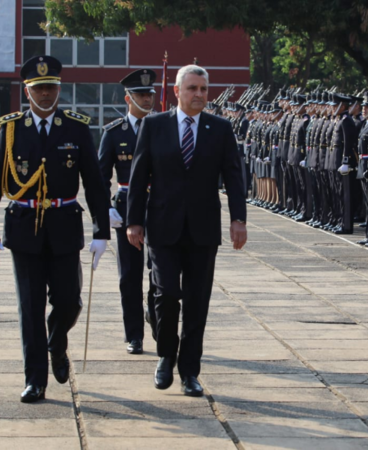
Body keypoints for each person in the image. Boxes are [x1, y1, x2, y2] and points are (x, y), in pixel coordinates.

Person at [0, 55, 111, 403]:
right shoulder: (10, 129)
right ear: (27, 91)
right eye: (39, 89)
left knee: (69, 301)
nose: (46, 94)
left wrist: (101, 232)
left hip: (65, 225)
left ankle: (56, 341)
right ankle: (35, 379)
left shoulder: (76, 127)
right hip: (23, 228)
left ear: (59, 89)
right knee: (30, 306)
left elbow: (94, 183)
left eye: (51, 87)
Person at [126, 65, 247, 397]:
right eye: (192, 88)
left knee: (197, 301)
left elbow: (234, 176)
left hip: (203, 228)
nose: (199, 94)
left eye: (204, 89)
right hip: (163, 226)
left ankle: (189, 371)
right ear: (177, 91)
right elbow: (139, 176)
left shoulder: (220, 128)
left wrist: (239, 218)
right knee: (166, 295)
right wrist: (133, 221)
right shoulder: (154, 126)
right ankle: (166, 353)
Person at [98, 69, 159, 354]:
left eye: (150, 94)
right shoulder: (114, 133)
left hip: (159, 206)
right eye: (141, 95)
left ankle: (158, 320)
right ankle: (134, 334)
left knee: (160, 272)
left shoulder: (163, 128)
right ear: (128, 98)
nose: (147, 99)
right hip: (125, 208)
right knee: (129, 276)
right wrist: (105, 209)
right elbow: (100, 178)